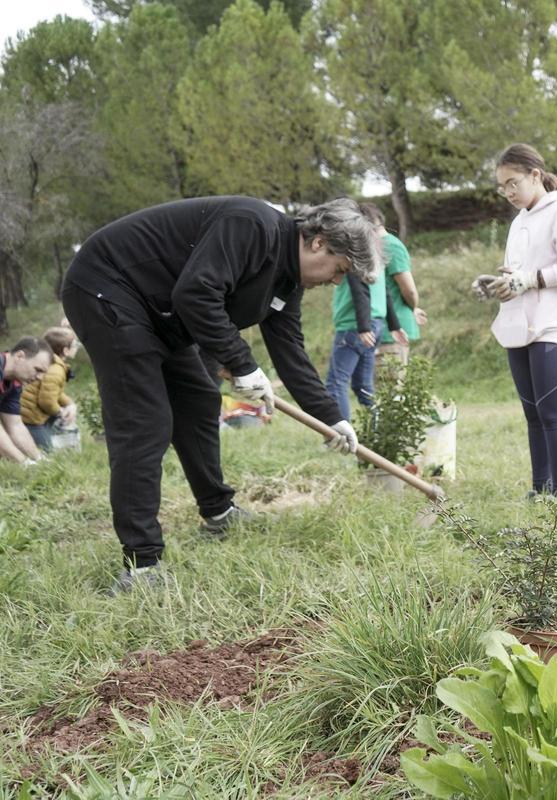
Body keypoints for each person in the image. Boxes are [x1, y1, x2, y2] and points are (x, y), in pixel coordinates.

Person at [61, 196, 376, 594]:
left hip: (160, 313)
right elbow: (196, 293)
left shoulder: (287, 280)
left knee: (198, 399)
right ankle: (142, 566)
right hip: (108, 288)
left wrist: (331, 416)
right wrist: (241, 363)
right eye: (339, 270)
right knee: (145, 424)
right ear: (318, 243)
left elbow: (289, 348)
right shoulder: (252, 226)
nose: (334, 282)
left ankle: (218, 511)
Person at [472, 143, 557, 500]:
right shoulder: (519, 221)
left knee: (551, 412)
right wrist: (499, 284)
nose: (508, 192)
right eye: (502, 186)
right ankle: (539, 489)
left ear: (536, 175)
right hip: (518, 324)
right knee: (532, 415)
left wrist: (530, 279)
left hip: (551, 324)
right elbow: (519, 275)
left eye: (513, 183)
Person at [324, 203, 403, 420]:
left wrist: (363, 326)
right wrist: (394, 325)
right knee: (362, 385)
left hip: (355, 327)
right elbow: (384, 292)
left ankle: (340, 435)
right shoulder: (376, 253)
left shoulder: (354, 251)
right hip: (376, 325)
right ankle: (379, 429)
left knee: (336, 382)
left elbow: (359, 290)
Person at [363, 204, 426, 364]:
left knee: (390, 385)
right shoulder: (373, 247)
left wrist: (413, 307)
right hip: (377, 329)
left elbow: (409, 290)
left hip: (391, 330)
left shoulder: (390, 245)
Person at [20, 326, 79, 452]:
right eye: (74, 345)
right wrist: (61, 413)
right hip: (31, 418)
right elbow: (47, 401)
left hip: (30, 413)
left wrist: (69, 403)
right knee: (47, 451)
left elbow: (54, 391)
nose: (77, 347)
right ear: (66, 351)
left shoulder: (52, 363)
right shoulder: (56, 370)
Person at [0, 337, 52, 465]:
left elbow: (15, 425)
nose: (40, 378)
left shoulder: (15, 383)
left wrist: (39, 460)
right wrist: (24, 463)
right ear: (19, 356)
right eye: (38, 370)